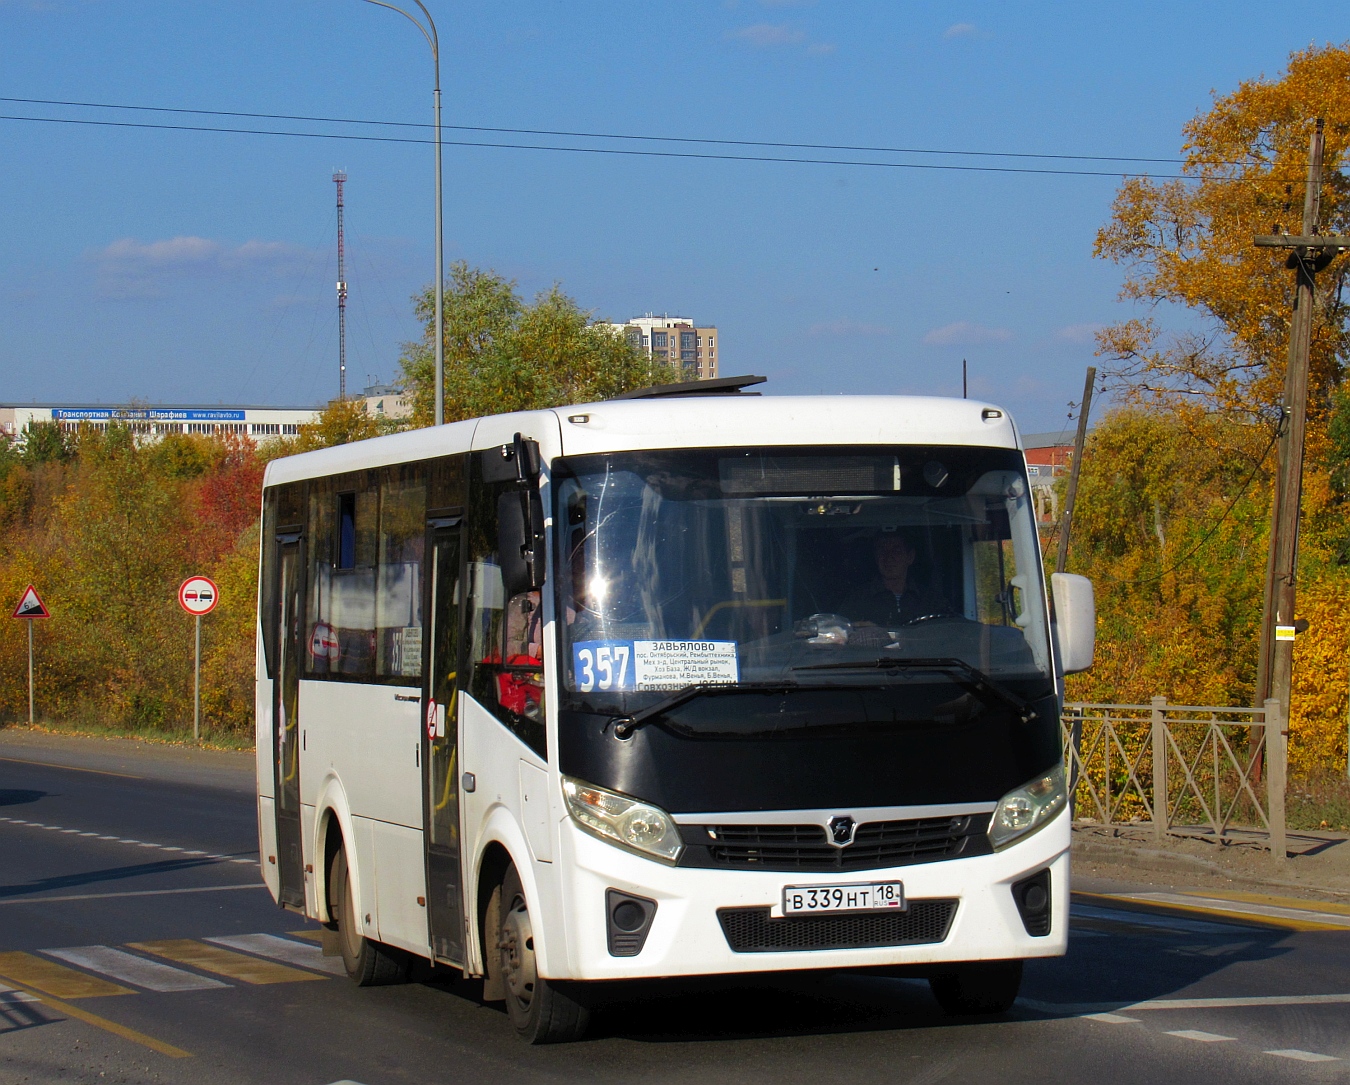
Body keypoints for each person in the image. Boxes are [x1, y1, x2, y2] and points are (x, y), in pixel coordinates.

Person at [838, 531, 950, 629]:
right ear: (876, 557)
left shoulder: (931, 600)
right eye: (882, 551)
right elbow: (840, 633)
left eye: (896, 551)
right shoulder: (857, 599)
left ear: (910, 557)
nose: (889, 557)